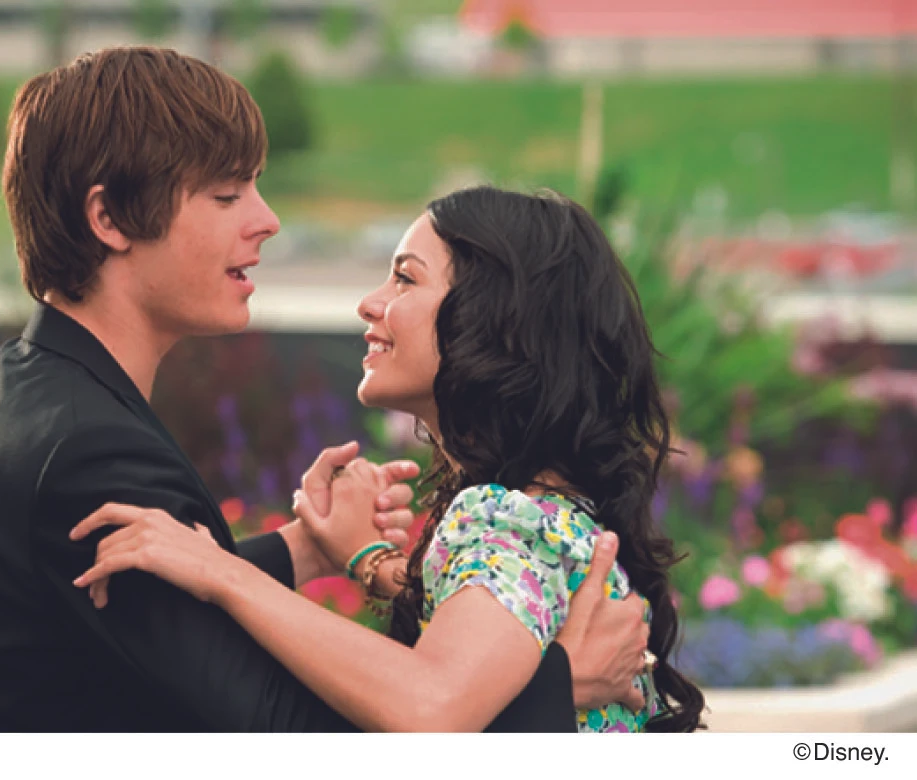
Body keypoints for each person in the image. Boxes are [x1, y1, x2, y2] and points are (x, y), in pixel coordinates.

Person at [0, 46, 649, 732]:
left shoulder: (2, 395)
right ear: (108, 218)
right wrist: (558, 688)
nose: (267, 221)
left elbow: (141, 626)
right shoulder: (89, 447)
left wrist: (304, 550)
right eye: (226, 194)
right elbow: (284, 733)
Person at [71, 186, 706, 732]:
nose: (369, 303)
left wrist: (219, 572)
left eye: (405, 278)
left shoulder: (507, 523)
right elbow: (493, 616)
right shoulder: (545, 518)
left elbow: (430, 706)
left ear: (496, 320)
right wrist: (367, 561)